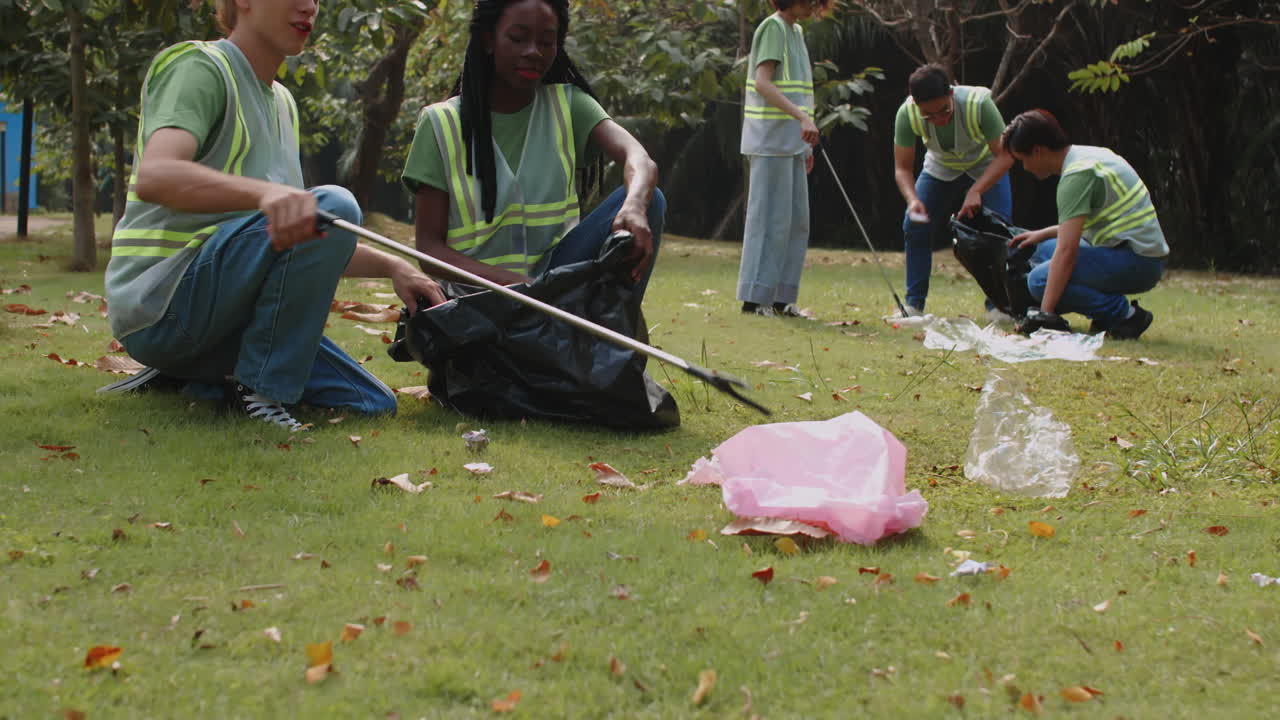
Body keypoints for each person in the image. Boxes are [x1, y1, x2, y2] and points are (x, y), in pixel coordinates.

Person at [102, 0, 445, 431]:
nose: (309, 7)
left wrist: (395, 266)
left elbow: (302, 233)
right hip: (161, 304)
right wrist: (268, 193)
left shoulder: (282, 102)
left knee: (370, 402)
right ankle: (260, 393)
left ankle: (200, 375)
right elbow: (156, 175)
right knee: (334, 202)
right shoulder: (199, 66)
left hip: (224, 317)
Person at [401, 0, 664, 300]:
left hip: (558, 281)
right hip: (477, 298)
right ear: (488, 40)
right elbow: (430, 249)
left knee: (651, 199)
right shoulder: (440, 123)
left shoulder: (569, 106)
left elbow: (638, 158)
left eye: (546, 42)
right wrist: (523, 288)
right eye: (518, 38)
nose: (533, 52)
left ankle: (609, 323)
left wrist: (634, 205)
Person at [1002, 109, 1167, 339]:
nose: (1025, 168)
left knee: (1039, 281)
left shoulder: (1077, 176)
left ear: (1038, 151)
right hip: (1130, 252)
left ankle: (1125, 316)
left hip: (1139, 262)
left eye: (1023, 160)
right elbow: (1089, 225)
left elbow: (1067, 251)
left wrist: (1044, 315)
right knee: (1038, 250)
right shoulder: (1087, 156)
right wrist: (1041, 234)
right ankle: (1105, 313)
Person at [737, 0, 834, 318]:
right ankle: (755, 298)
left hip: (793, 143)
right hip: (770, 140)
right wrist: (802, 119)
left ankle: (782, 298)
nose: (814, 5)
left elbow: (798, 92)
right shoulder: (773, 27)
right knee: (769, 220)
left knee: (795, 221)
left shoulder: (796, 31)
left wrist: (805, 146)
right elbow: (762, 83)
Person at [893, 64, 1014, 315]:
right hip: (940, 167)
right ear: (916, 104)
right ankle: (913, 304)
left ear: (951, 92)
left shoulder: (978, 104)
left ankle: (999, 306)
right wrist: (912, 199)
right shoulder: (906, 113)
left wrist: (976, 190)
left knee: (998, 231)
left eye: (944, 111)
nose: (939, 120)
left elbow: (1005, 155)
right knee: (914, 224)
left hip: (985, 165)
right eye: (929, 116)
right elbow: (902, 168)